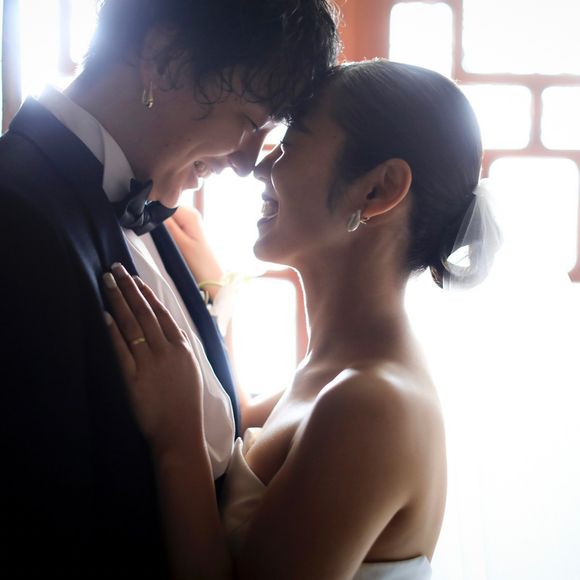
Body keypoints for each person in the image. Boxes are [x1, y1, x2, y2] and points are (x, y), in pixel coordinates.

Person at [102, 59, 500, 579]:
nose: (259, 167)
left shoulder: (371, 404)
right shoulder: (338, 367)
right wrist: (214, 293)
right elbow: (243, 417)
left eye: (290, 144)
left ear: (378, 190)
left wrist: (177, 442)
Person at [0, 1, 339, 577]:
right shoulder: (14, 214)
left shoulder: (154, 210)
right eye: (248, 121)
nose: (246, 163)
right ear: (165, 60)